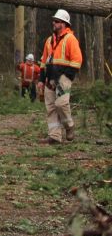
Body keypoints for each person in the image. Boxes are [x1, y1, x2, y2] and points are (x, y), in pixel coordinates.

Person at [38, 9, 84, 144]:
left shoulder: (71, 39)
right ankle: (54, 136)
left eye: (57, 21)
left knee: (61, 104)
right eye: (54, 20)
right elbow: (43, 61)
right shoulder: (49, 41)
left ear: (64, 24)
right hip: (49, 78)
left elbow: (77, 60)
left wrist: (66, 77)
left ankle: (69, 126)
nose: (54, 23)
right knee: (51, 108)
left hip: (64, 78)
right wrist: (41, 79)